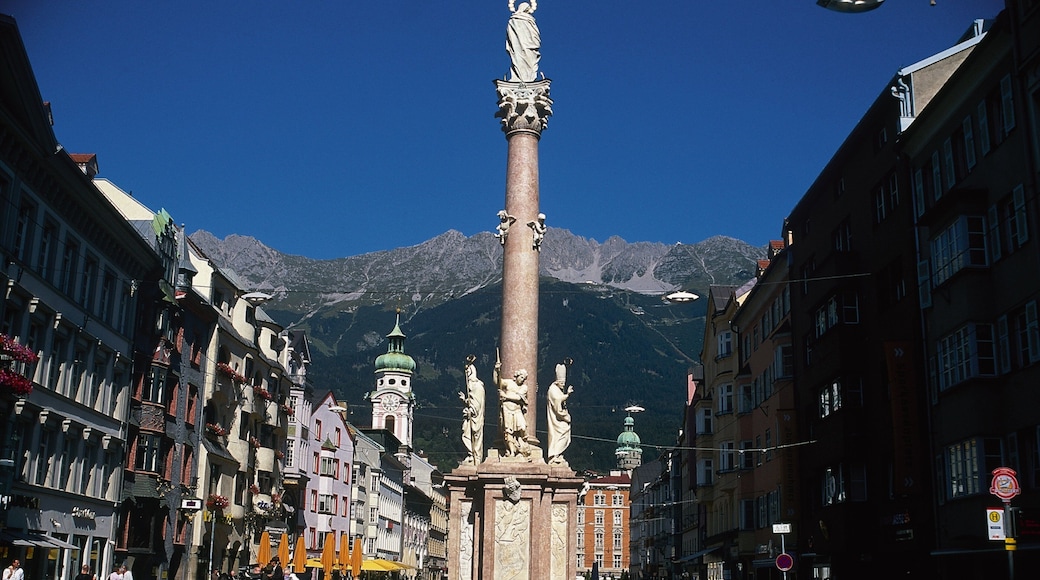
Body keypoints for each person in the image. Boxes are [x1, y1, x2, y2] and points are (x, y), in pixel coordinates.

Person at [494, 357, 530, 459]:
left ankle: (523, 445)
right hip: (506, 409)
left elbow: (518, 397)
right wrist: (496, 370)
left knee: (523, 427)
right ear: (517, 376)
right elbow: (497, 382)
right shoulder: (509, 383)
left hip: (517, 410)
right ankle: (511, 451)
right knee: (508, 431)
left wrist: (505, 396)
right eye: (521, 377)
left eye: (524, 378)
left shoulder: (524, 387)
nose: (522, 379)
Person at [546, 361, 574, 464]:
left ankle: (557, 454)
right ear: (557, 381)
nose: (563, 385)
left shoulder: (557, 389)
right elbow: (557, 401)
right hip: (557, 420)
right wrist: (567, 395)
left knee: (565, 435)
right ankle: (554, 455)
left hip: (560, 418)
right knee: (561, 434)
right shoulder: (553, 389)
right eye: (562, 383)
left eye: (564, 383)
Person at [506, 0, 540, 83]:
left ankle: (529, 77)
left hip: (529, 44)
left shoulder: (530, 20)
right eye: (527, 9)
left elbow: (534, 33)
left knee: (530, 59)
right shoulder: (514, 19)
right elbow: (511, 33)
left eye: (528, 9)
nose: (528, 10)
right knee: (518, 58)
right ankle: (518, 76)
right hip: (517, 44)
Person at [459, 355, 485, 465]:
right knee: (465, 434)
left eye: (468, 372)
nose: (467, 375)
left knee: (474, 435)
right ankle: (471, 455)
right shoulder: (472, 387)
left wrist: (471, 411)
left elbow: (477, 405)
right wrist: (465, 400)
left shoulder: (477, 387)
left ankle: (475, 457)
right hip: (470, 417)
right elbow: (473, 402)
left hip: (475, 418)